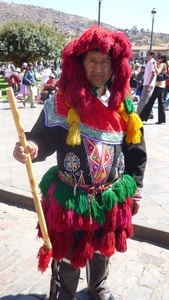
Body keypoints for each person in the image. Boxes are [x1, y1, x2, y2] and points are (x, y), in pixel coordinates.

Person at [13, 25, 147, 300]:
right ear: (80, 65)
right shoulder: (62, 102)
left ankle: (98, 287)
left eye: (105, 62)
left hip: (109, 197)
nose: (99, 68)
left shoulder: (124, 107)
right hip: (72, 197)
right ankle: (63, 294)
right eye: (92, 61)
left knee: (102, 249)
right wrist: (31, 146)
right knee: (68, 253)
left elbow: (136, 151)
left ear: (114, 68)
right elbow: (42, 137)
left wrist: (137, 189)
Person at [139, 53, 168, 124]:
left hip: (158, 86)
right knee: (161, 103)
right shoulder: (164, 64)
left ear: (163, 59)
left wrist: (155, 65)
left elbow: (157, 72)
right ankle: (162, 120)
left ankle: (143, 118)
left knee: (150, 102)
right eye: (158, 57)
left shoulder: (162, 64)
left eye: (159, 58)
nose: (158, 59)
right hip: (161, 86)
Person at [137, 51, 156, 118]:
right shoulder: (150, 62)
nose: (146, 56)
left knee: (143, 100)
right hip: (147, 83)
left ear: (152, 55)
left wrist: (149, 83)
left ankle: (138, 114)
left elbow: (153, 73)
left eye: (148, 55)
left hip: (148, 84)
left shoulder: (151, 62)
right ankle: (150, 114)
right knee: (146, 99)